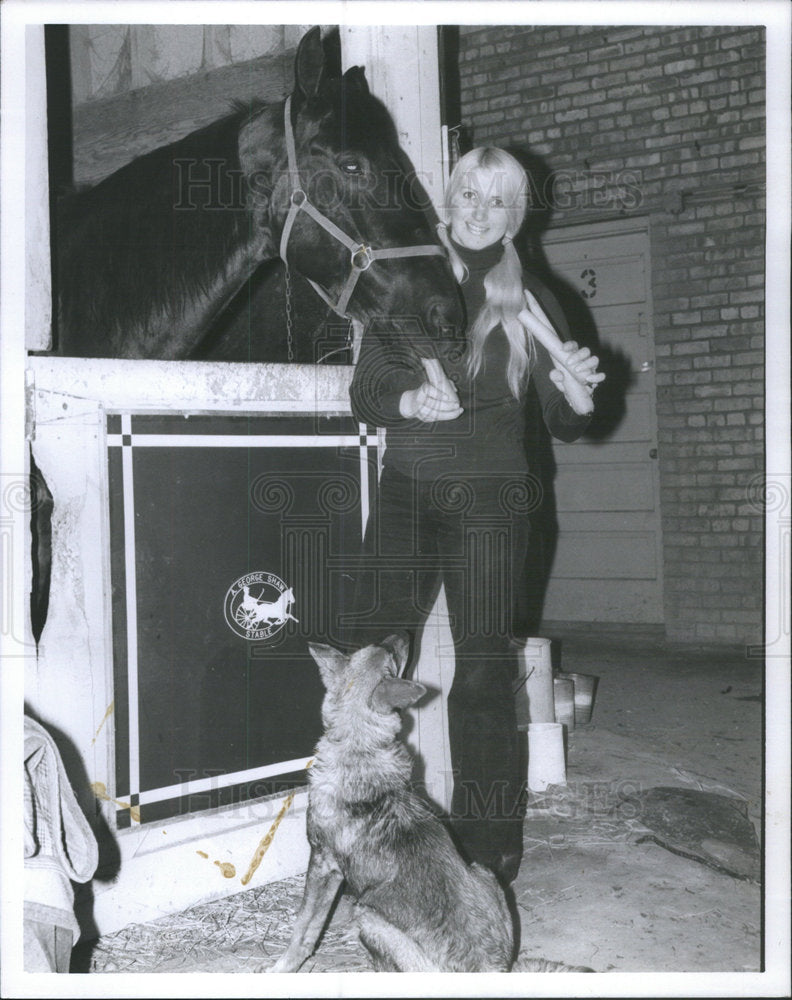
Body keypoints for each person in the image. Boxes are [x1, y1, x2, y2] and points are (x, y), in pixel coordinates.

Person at [341, 147, 605, 886]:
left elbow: (562, 416)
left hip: (493, 500)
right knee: (368, 662)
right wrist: (408, 401)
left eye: (497, 200)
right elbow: (368, 386)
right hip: (407, 493)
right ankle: (363, 824)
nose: (479, 209)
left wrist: (581, 397)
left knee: (484, 671)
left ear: (515, 214)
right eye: (468, 193)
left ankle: (488, 853)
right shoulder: (405, 280)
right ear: (447, 197)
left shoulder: (534, 301)